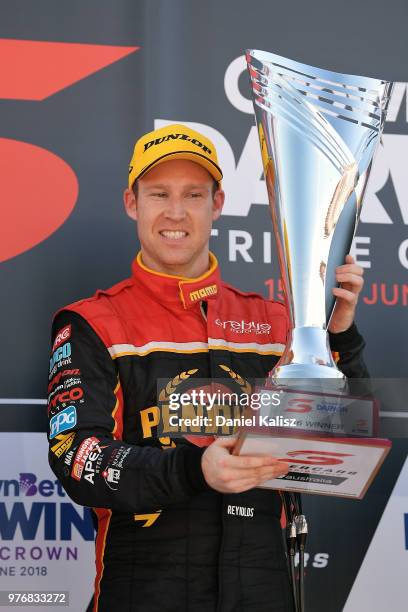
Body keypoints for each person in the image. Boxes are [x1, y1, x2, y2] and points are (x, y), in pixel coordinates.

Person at [47, 123, 368, 612]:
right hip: (143, 585)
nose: (175, 212)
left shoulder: (276, 320)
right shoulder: (93, 323)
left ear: (217, 205)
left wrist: (337, 336)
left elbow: (344, 436)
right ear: (132, 203)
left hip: (263, 585)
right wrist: (197, 469)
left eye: (193, 195)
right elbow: (77, 458)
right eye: (159, 194)